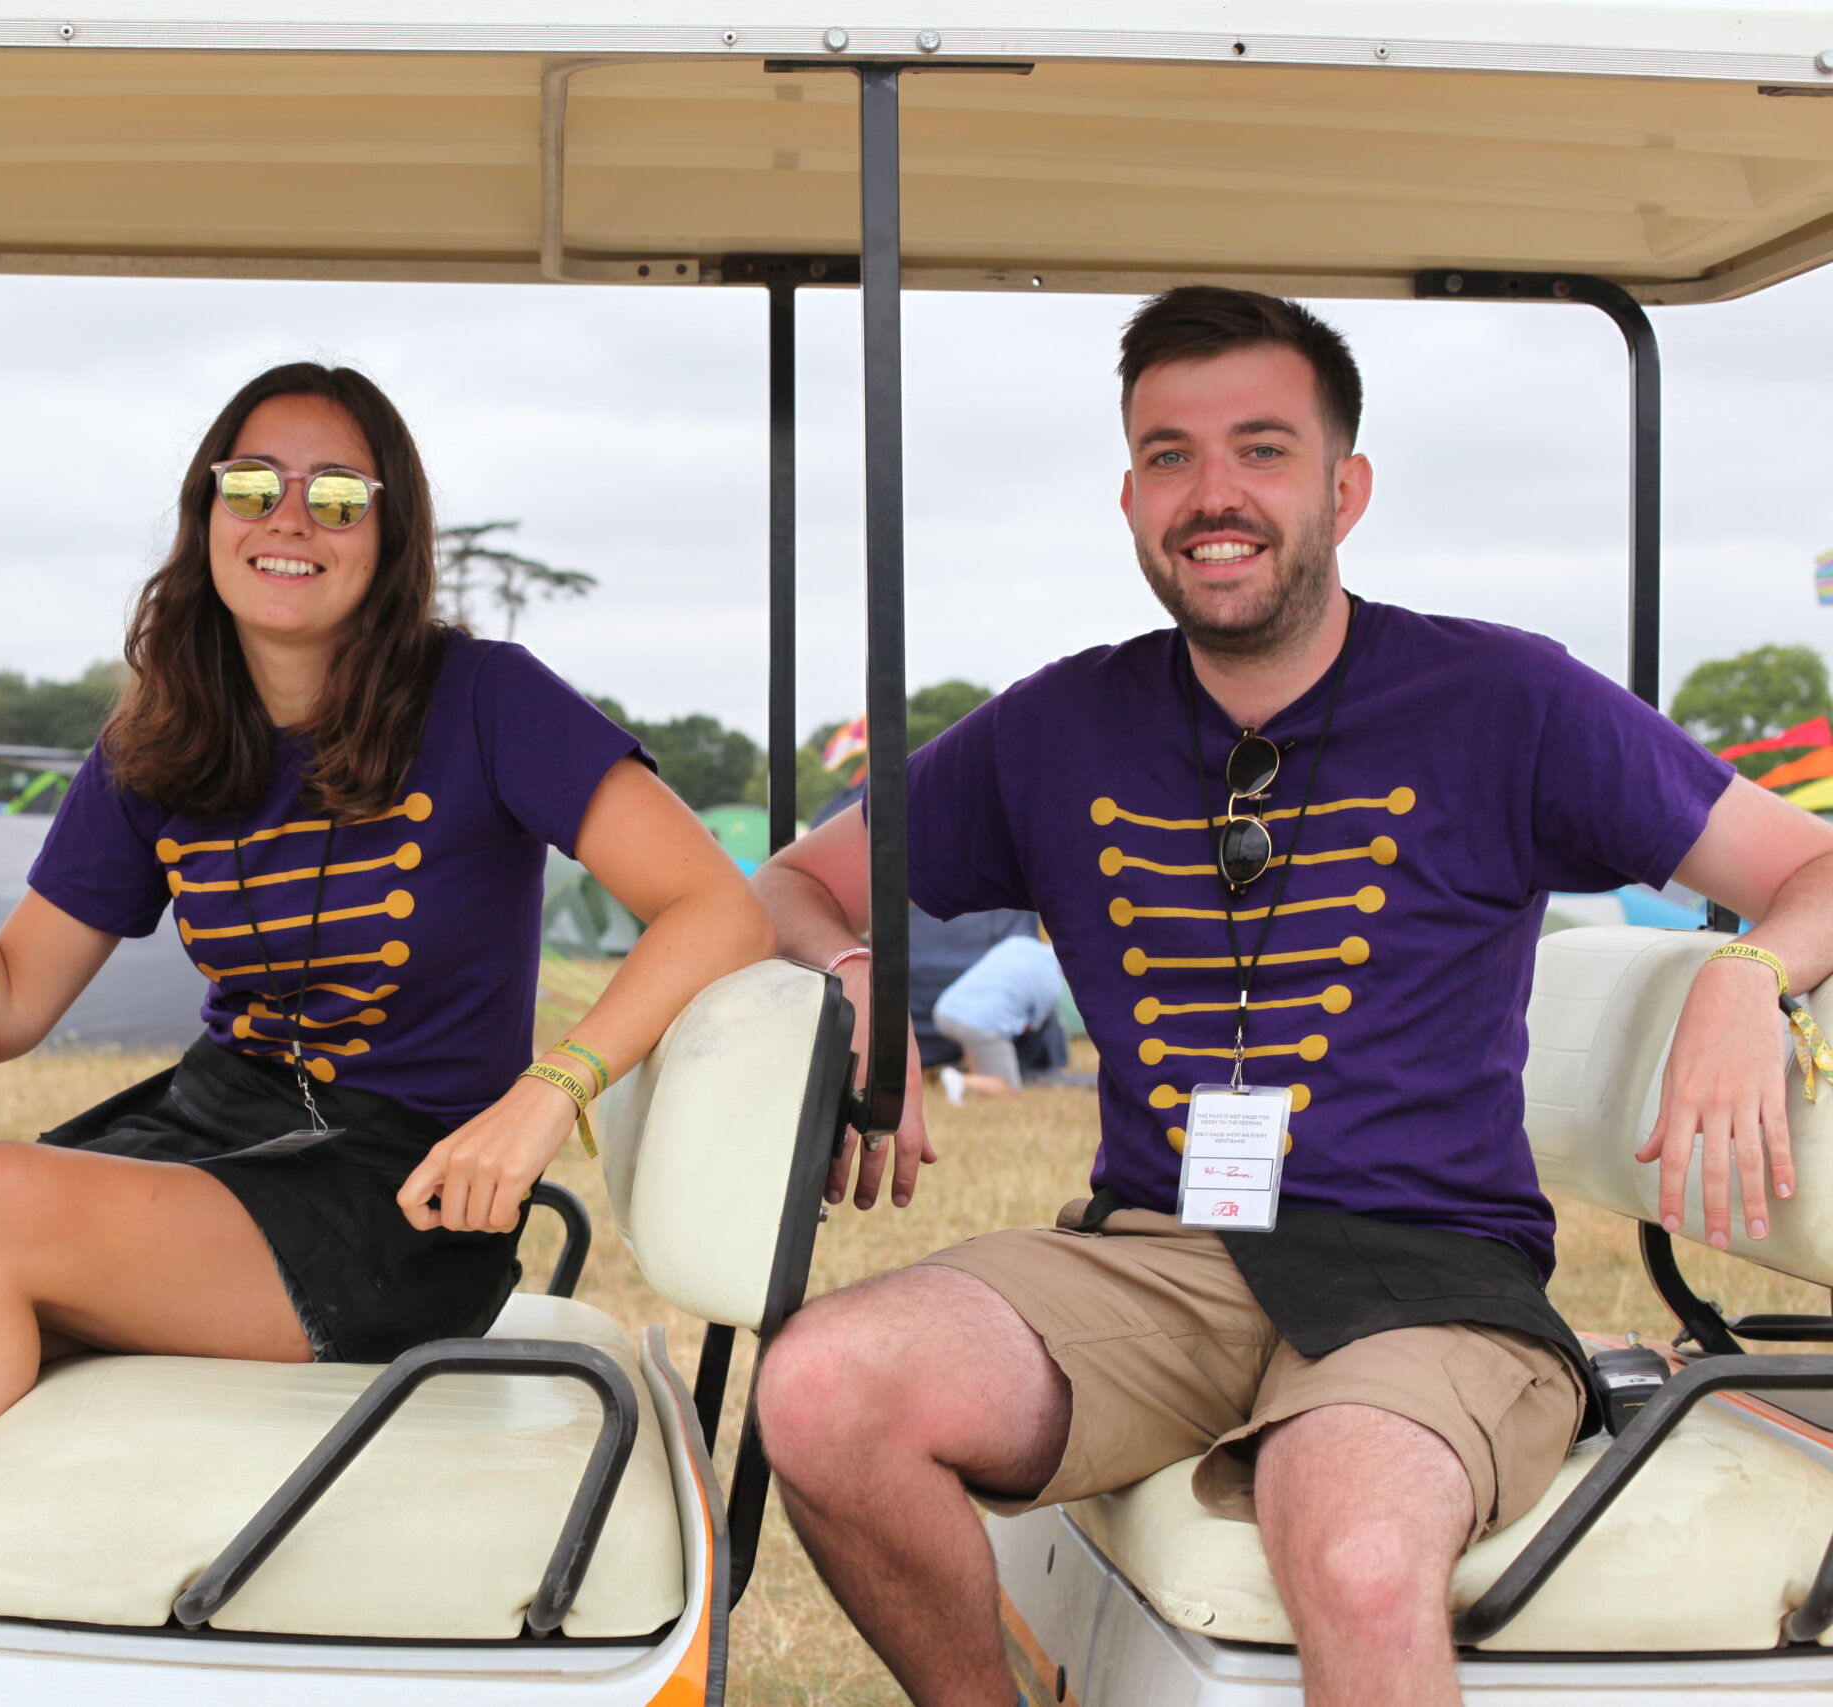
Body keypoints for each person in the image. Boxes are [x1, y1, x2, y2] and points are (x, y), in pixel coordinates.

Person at [749, 286, 1833, 1707]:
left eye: (1262, 449)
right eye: (1169, 456)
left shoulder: (1507, 699)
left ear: (1344, 488)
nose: (1214, 494)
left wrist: (1746, 974)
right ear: (1131, 498)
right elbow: (792, 883)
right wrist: (859, 978)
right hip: (1158, 1259)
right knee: (822, 1389)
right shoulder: (1055, 724)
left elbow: (1813, 865)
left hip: (1427, 1275)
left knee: (1357, 1543)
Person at [0, 362, 774, 1707]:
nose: (290, 518)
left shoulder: (487, 697)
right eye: (253, 484)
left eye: (338, 495)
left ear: (390, 529)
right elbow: (11, 999)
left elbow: (717, 908)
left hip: (405, 1189)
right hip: (225, 1125)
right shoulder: (163, 732)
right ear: (207, 513)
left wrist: (547, 1093)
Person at [933, 930, 1064, 1101]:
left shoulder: (1020, 943)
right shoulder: (1052, 983)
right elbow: (1032, 1026)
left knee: (976, 1044)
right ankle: (960, 1081)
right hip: (980, 1025)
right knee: (1009, 1088)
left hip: (945, 1011)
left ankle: (974, 1091)